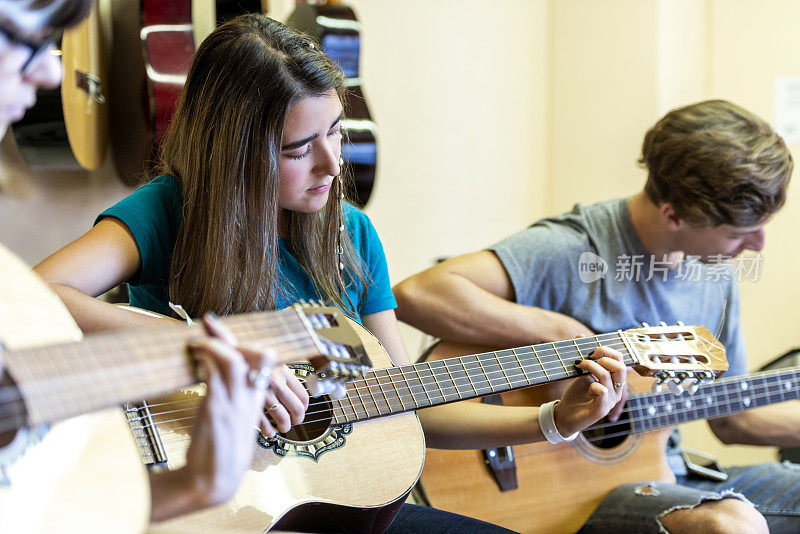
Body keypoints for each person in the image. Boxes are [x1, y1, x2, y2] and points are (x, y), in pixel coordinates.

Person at [34, 13, 629, 532]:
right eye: (299, 149)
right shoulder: (168, 209)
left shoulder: (354, 237)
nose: (331, 163)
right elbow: (34, 296)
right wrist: (211, 351)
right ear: (234, 149)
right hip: (205, 503)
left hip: (326, 507)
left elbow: (404, 403)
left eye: (337, 132)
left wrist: (553, 420)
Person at [393, 99, 798, 533]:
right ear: (673, 214)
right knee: (730, 524)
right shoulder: (572, 248)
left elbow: (732, 417)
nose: (757, 245)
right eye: (740, 233)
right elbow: (418, 294)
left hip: (667, 473)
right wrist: (569, 336)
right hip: (567, 490)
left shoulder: (713, 271)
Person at [0, 0, 305, 523]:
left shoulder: (352, 232)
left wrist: (194, 485)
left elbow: (35, 511)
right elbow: (48, 291)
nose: (52, 68)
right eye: (25, 36)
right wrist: (186, 346)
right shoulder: (168, 206)